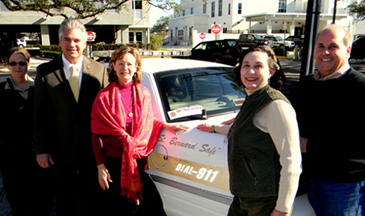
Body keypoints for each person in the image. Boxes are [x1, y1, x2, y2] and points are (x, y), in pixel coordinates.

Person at [91, 46, 188, 215]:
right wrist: (100, 166)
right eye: (120, 63)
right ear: (113, 65)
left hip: (137, 160)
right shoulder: (103, 96)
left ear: (136, 67)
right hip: (113, 162)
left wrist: (165, 126)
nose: (125, 68)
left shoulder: (143, 93)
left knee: (149, 207)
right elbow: (96, 133)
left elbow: (146, 121)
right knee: (117, 208)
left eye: (130, 64)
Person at [34, 19, 108, 215]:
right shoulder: (45, 72)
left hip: (92, 152)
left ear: (85, 42)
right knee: (65, 203)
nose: (72, 45)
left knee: (92, 202)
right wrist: (41, 150)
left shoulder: (100, 71)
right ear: (59, 42)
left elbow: (110, 110)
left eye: (76, 40)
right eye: (66, 39)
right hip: (59, 152)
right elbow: (39, 114)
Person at [288, 25, 365, 215]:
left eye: (333, 46)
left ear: (347, 51)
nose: (325, 52)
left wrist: (308, 145)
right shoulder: (307, 84)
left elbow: (358, 141)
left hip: (345, 185)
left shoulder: (360, 87)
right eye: (320, 46)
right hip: (311, 180)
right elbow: (282, 111)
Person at [225, 46, 302, 216]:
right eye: (246, 65)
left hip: (264, 200)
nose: (250, 71)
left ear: (271, 71)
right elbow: (248, 131)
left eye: (258, 66)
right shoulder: (253, 97)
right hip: (244, 196)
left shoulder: (276, 105)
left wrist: (282, 208)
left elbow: (292, 161)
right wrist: (214, 128)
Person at [0, 47, 53, 215]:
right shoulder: (0, 90)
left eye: (22, 63)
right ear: (8, 65)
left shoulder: (41, 88)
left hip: (39, 155)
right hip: (11, 157)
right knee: (19, 203)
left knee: (42, 202)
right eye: (13, 63)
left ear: (28, 64)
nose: (18, 66)